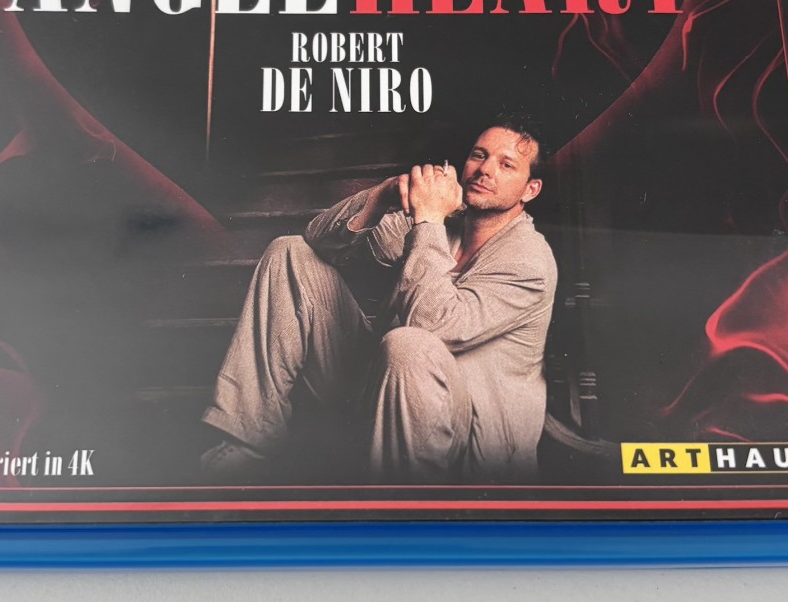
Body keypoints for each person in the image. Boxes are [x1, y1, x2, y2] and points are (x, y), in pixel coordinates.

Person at [200, 114, 558, 483]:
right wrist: (383, 194)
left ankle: (402, 505)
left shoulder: (528, 260)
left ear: (530, 190)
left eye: (506, 164)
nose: (484, 170)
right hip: (382, 399)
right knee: (289, 252)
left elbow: (433, 325)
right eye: (479, 155)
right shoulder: (447, 220)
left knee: (410, 344)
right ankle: (247, 442)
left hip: (471, 442)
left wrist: (428, 219)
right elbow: (317, 237)